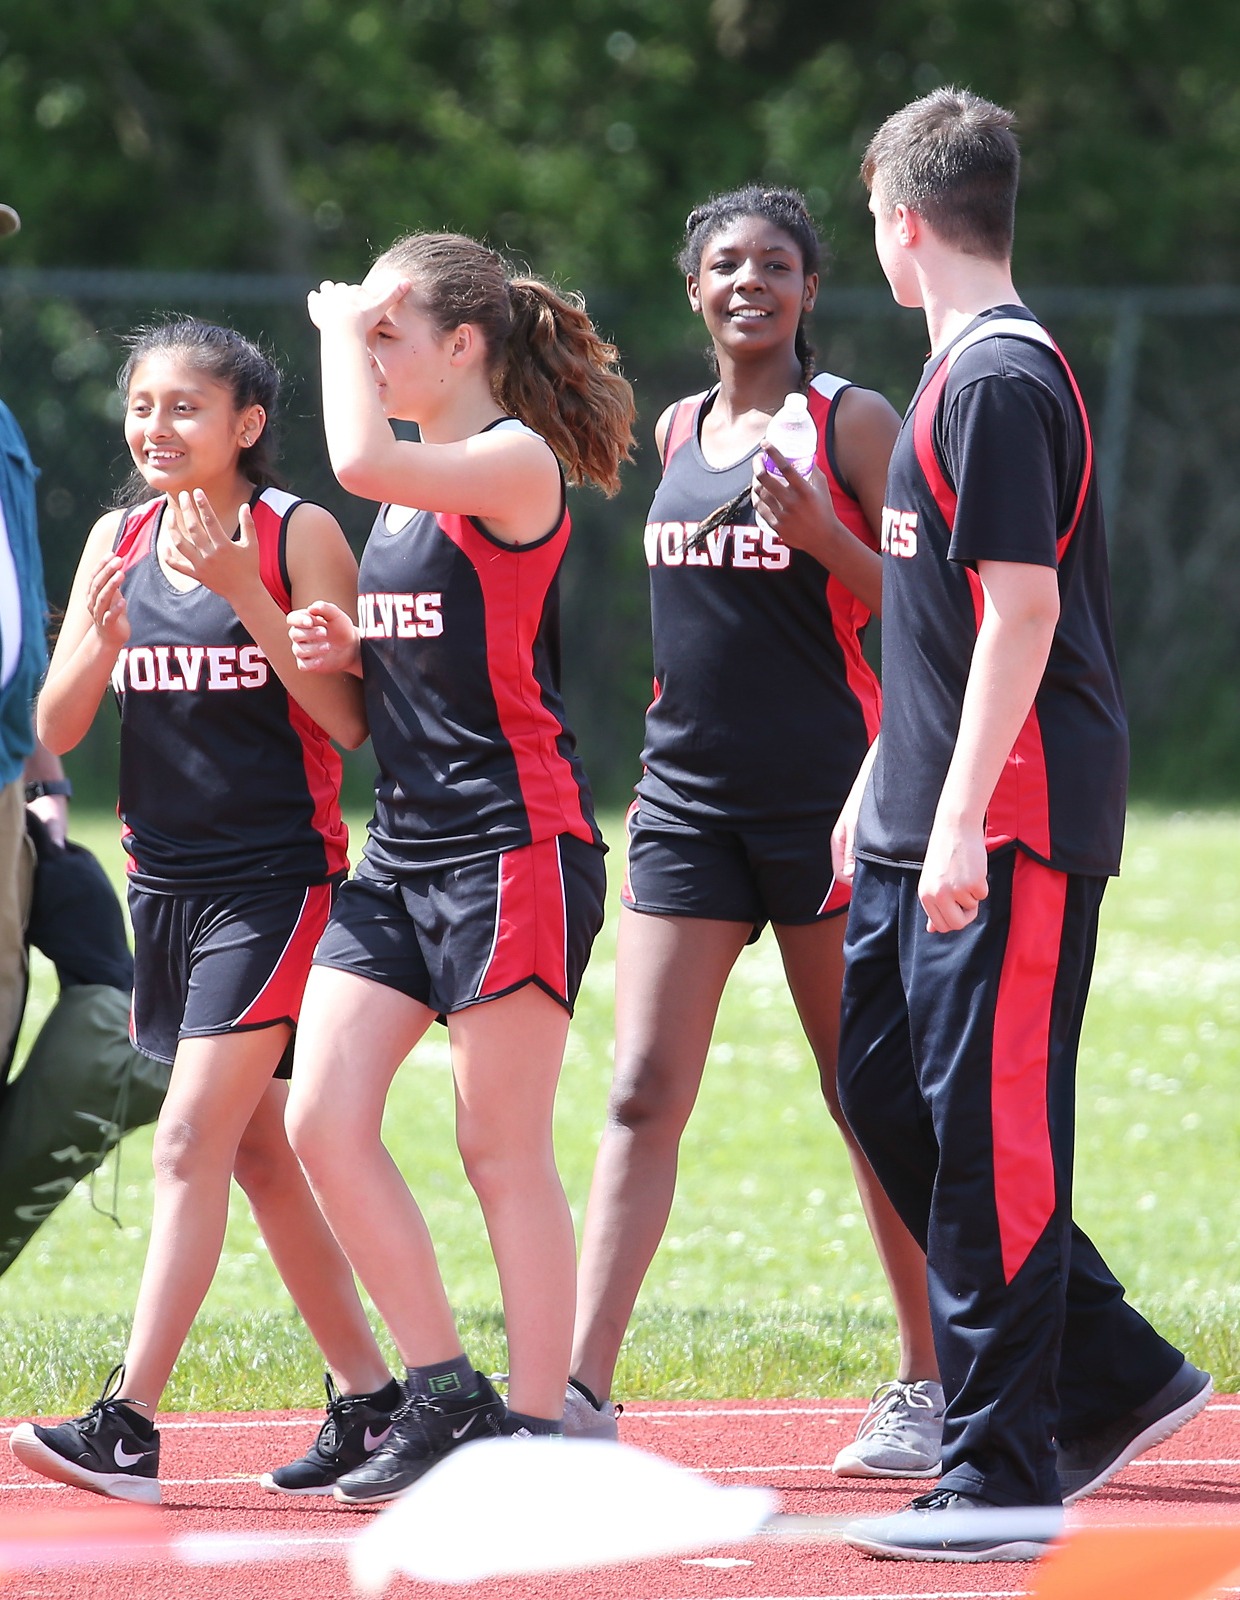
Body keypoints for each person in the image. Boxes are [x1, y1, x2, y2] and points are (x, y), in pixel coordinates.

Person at [833, 88, 1211, 1562]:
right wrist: (883, 783)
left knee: (992, 1141)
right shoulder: (948, 374)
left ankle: (999, 1476)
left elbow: (1023, 615)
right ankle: (1116, 1371)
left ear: (902, 221)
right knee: (887, 1094)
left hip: (1009, 822)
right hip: (922, 811)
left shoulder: (996, 377)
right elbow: (935, 631)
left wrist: (957, 823)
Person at [564, 185, 944, 1479]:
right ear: (695, 288)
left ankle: (928, 1382)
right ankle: (580, 1393)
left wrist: (825, 536)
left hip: (828, 806)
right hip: (684, 803)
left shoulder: (853, 420)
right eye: (726, 264)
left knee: (865, 1097)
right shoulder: (677, 427)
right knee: (637, 1090)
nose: (749, 283)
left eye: (775, 265)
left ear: (809, 289)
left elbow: (931, 607)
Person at [11, 318, 401, 1505]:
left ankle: (126, 1423)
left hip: (275, 884)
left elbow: (348, 721)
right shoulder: (117, 537)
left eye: (185, 406)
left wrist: (244, 593)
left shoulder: (296, 532)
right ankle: (374, 1402)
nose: (156, 426)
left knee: (186, 1141)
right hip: (162, 887)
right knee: (259, 1155)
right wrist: (98, 636)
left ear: (246, 424)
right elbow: (54, 728)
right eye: (142, 405)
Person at [282, 230, 635, 1504]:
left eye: (391, 332)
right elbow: (447, 645)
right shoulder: (414, 490)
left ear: (463, 345)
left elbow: (355, 457)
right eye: (366, 334)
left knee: (498, 1144)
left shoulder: (510, 459)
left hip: (510, 842)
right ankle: (444, 1389)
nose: (371, 350)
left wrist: (334, 328)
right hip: (406, 847)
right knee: (320, 1117)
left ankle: (539, 1425)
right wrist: (358, 639)